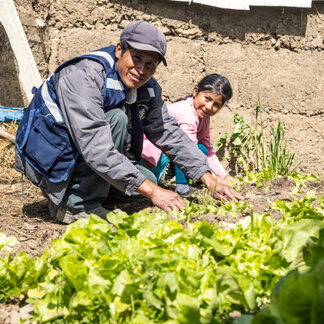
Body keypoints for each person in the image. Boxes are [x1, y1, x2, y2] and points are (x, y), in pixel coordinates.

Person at [15, 20, 243, 224]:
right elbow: (96, 148)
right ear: (119, 50)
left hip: (84, 157)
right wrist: (154, 192)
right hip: (53, 159)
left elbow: (168, 133)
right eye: (136, 58)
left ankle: (98, 193)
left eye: (151, 64)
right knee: (116, 118)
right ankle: (75, 205)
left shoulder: (148, 88)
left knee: (149, 179)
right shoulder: (84, 75)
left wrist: (208, 177)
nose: (141, 70)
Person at [141, 73, 238, 196]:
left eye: (216, 105)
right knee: (194, 149)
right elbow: (187, 149)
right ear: (196, 91)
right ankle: (182, 188)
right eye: (207, 99)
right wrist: (212, 179)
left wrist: (224, 175)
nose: (209, 107)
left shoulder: (204, 117)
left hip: (166, 155)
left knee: (202, 149)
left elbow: (208, 151)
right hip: (150, 157)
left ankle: (178, 181)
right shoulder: (187, 112)